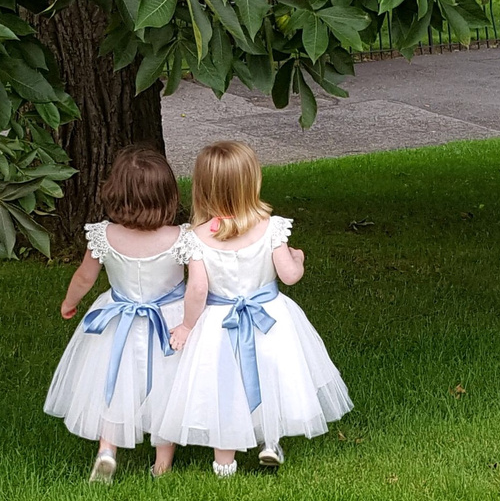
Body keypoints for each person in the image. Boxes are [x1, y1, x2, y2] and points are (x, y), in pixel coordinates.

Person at [157, 141, 353, 477]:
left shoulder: (197, 237)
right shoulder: (271, 227)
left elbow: (198, 289)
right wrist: (298, 258)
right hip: (270, 320)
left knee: (223, 384)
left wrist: (188, 326)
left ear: (203, 187)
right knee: (272, 375)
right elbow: (289, 276)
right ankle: (269, 442)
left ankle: (224, 461)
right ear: (252, 182)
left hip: (221, 324)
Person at [45, 146, 187, 482]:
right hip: (168, 322)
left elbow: (84, 277)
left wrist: (69, 302)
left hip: (117, 319)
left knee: (114, 382)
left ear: (115, 193)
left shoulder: (103, 235)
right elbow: (198, 283)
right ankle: (162, 464)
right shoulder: (181, 238)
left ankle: (107, 450)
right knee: (167, 386)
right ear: (167, 194)